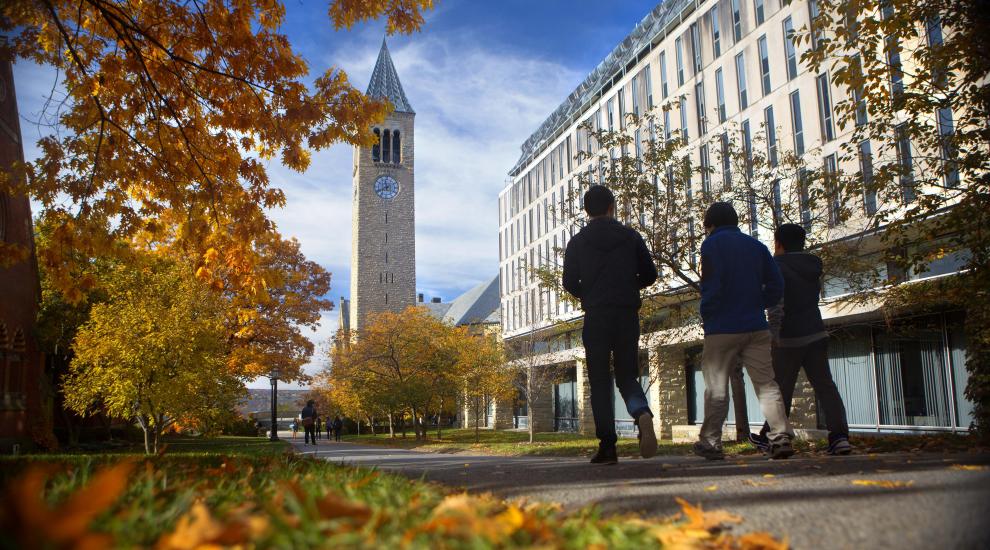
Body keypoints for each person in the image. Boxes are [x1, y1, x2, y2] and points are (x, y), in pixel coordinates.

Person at [562, 185, 659, 465]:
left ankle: (607, 447)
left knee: (600, 381)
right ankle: (641, 412)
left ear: (586, 210)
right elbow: (650, 274)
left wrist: (589, 293)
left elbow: (569, 282)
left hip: (596, 316)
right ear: (611, 207)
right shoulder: (630, 237)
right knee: (627, 375)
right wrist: (629, 286)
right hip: (626, 313)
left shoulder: (578, 243)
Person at [695, 202, 794, 460]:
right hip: (755, 326)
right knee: (766, 384)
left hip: (722, 328)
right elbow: (776, 285)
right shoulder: (757, 246)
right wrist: (758, 303)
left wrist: (708, 312)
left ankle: (711, 442)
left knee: (716, 387)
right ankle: (780, 435)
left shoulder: (711, 245)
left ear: (710, 225)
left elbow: (711, 284)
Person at [749, 223, 853, 455]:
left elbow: (776, 303)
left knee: (780, 390)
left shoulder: (776, 266)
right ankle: (839, 437)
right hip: (816, 333)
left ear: (779, 244)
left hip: (788, 338)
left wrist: (773, 333)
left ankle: (777, 438)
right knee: (825, 387)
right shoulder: (813, 266)